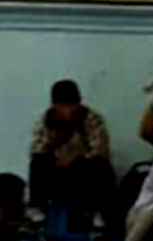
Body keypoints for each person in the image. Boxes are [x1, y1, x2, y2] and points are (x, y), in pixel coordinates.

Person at [27, 80, 114, 229]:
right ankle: (37, 209)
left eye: (71, 105)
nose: (67, 111)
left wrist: (75, 158)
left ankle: (97, 213)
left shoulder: (91, 118)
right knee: (38, 162)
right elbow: (36, 149)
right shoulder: (46, 120)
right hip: (56, 173)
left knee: (100, 166)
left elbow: (101, 151)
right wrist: (53, 141)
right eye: (62, 106)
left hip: (82, 171)